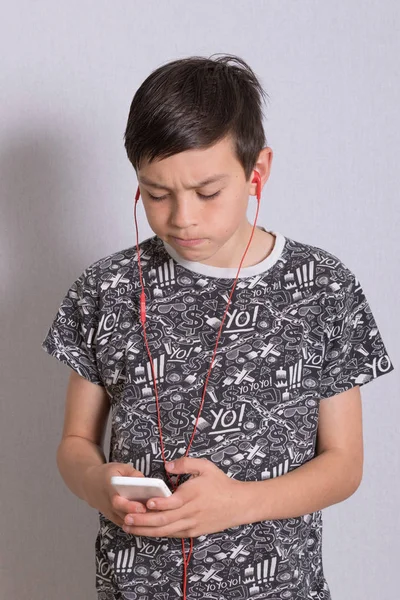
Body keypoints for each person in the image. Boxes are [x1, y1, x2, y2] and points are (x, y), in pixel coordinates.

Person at [41, 54, 395, 600]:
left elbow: (344, 464)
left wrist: (238, 503)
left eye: (208, 193)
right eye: (156, 194)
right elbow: (75, 441)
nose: (183, 217)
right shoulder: (105, 288)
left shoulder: (324, 287)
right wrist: (95, 483)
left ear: (258, 171)